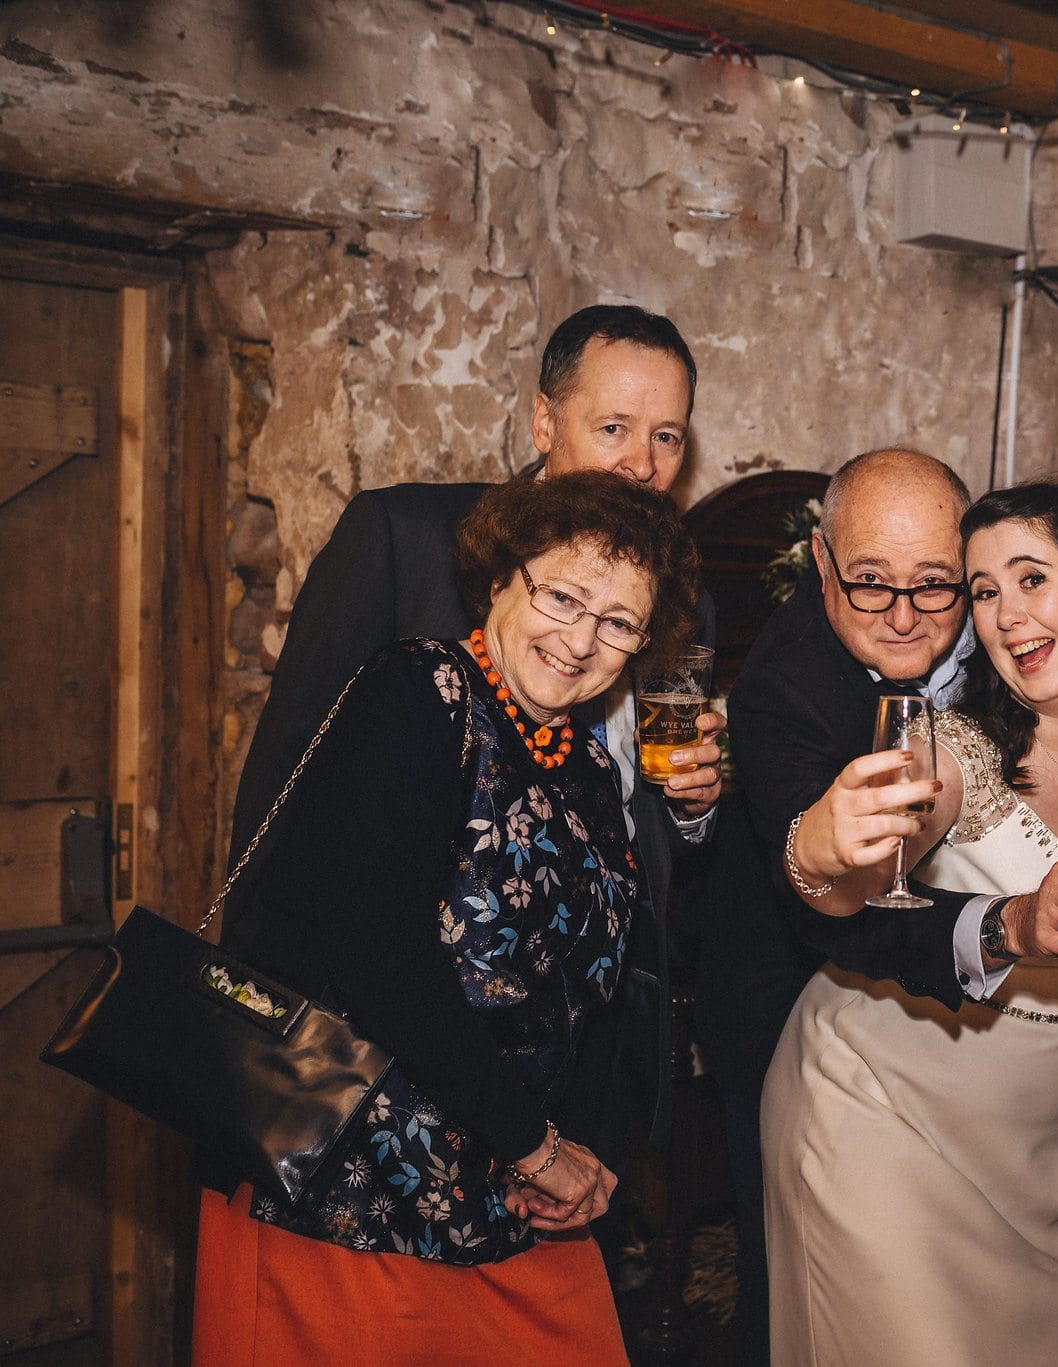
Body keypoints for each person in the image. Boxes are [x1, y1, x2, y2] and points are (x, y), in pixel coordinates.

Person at [191, 472, 702, 1364]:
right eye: (563, 595)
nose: (581, 640)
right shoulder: (415, 696)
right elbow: (377, 954)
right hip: (353, 1193)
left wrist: (576, 1151)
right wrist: (535, 1145)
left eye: (619, 622)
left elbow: (600, 983)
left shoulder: (579, 758)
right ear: (502, 578)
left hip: (514, 1201)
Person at [222, 304, 723, 1175]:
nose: (643, 464)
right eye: (614, 427)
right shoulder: (406, 541)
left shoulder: (682, 596)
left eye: (668, 437)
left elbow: (644, 827)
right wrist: (258, 1025)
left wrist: (694, 806)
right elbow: (288, 778)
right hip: (377, 1067)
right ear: (543, 421)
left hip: (580, 1053)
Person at [692, 451, 1058, 1366]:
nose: (904, 616)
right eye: (869, 585)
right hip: (797, 1013)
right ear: (823, 563)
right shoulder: (783, 690)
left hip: (1010, 1060)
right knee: (799, 1288)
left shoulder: (1014, 636)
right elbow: (832, 911)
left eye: (935, 587)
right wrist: (1002, 922)